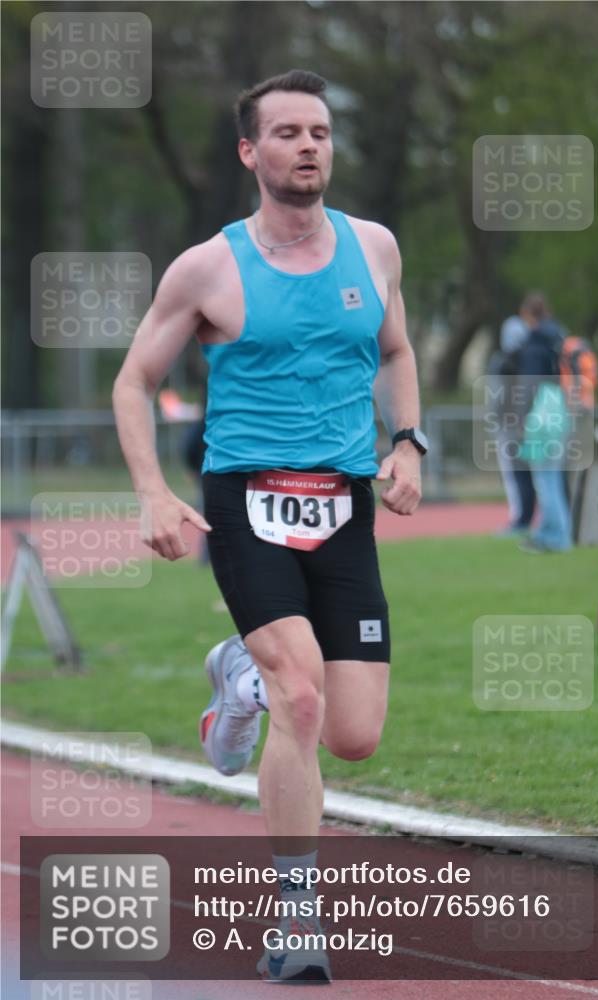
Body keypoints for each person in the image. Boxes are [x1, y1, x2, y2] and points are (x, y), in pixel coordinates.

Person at [112, 69, 425, 982]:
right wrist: (149, 493)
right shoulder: (208, 267)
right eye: (286, 132)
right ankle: (295, 921)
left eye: (320, 132)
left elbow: (398, 349)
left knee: (354, 732)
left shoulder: (374, 250)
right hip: (244, 498)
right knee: (302, 698)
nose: (308, 146)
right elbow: (133, 381)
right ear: (251, 153)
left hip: (343, 506)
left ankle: (236, 671)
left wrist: (407, 442)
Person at [514, 292, 572, 553]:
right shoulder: (559, 337)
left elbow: (529, 384)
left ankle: (556, 536)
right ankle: (553, 532)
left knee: (544, 477)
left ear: (528, 314)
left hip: (542, 410)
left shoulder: (535, 342)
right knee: (554, 476)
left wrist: (522, 417)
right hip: (561, 405)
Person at [487, 314, 534, 535]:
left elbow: (497, 397)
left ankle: (520, 518)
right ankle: (526, 517)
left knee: (514, 474)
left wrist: (495, 417)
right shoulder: (530, 357)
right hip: (528, 422)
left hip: (510, 424)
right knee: (530, 473)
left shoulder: (503, 360)